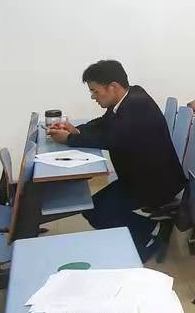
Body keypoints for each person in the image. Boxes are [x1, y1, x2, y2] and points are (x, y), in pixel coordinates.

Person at [48, 60, 186, 262]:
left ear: (112, 87)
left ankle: (148, 236)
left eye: (95, 91)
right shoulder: (129, 97)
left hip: (155, 183)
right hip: (136, 177)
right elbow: (104, 123)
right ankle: (149, 228)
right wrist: (76, 130)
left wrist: (69, 139)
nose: (93, 97)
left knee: (100, 213)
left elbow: (111, 138)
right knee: (92, 210)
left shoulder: (137, 106)